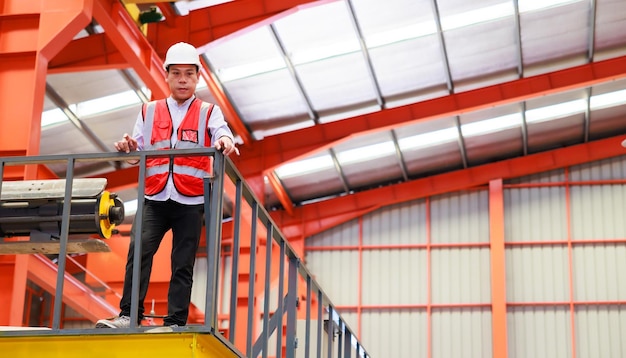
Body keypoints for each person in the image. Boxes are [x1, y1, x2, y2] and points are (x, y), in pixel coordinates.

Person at [96, 42, 239, 329]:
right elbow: (137, 154)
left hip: (192, 200)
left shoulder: (209, 112)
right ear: (167, 76)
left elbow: (222, 135)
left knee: (182, 263)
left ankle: (176, 321)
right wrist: (129, 147)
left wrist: (225, 140)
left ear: (198, 77)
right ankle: (128, 315)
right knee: (139, 251)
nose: (183, 79)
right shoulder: (149, 111)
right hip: (155, 197)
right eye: (177, 74)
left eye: (188, 74)